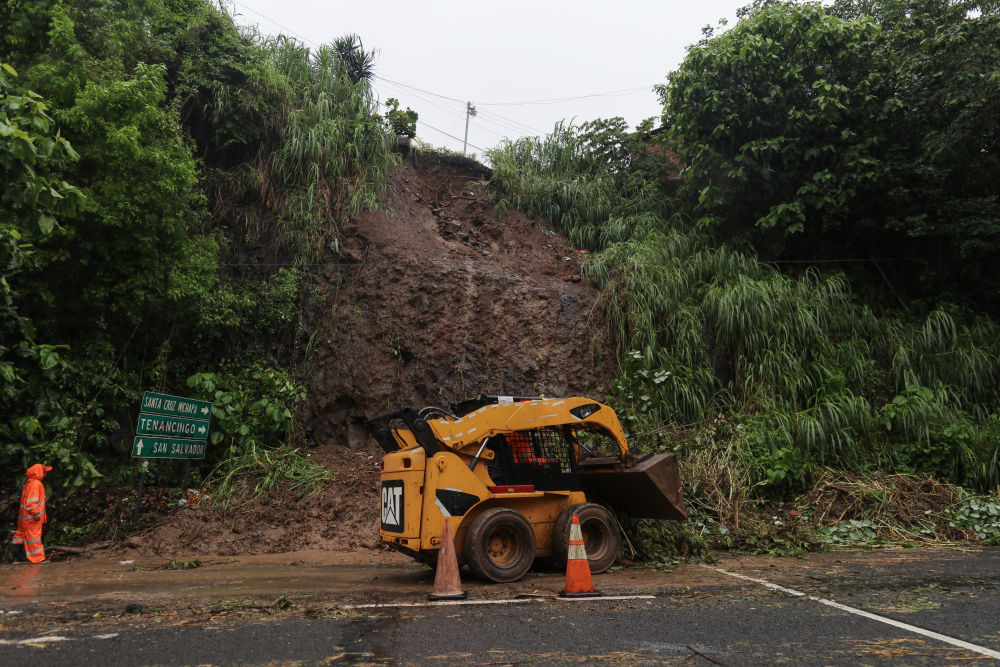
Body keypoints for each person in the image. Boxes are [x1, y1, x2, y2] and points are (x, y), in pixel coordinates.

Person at [12, 464, 52, 564]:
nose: (46, 473)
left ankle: (18, 558)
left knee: (21, 535)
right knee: (34, 537)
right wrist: (36, 513)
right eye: (44, 471)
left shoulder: (28, 484)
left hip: (24, 518)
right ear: (38, 472)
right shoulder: (36, 484)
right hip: (32, 518)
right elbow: (31, 502)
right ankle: (38, 559)